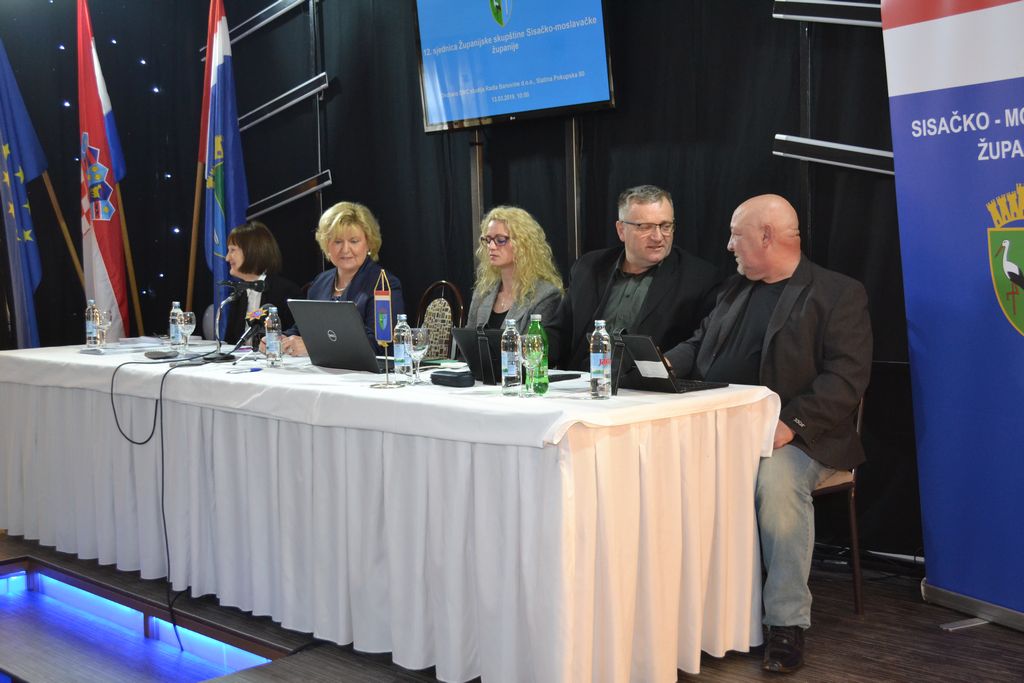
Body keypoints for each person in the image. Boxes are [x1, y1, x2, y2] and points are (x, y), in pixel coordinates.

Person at [663, 194, 872, 673]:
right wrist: (665, 363)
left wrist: (790, 424)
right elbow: (700, 342)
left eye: (736, 235)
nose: (728, 245)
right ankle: (691, 611)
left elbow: (846, 379)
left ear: (766, 236)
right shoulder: (735, 289)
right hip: (721, 429)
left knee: (777, 485)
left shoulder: (837, 293)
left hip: (802, 437)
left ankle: (785, 623)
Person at [546, 184, 718, 370]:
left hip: (645, 383)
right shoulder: (588, 268)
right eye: (645, 227)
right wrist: (527, 357)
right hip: (582, 380)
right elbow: (560, 333)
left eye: (665, 226)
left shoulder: (698, 278)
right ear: (621, 230)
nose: (658, 237)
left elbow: (699, 346)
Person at [281, 201, 405, 356]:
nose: (345, 249)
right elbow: (301, 329)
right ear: (327, 245)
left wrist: (315, 347)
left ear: (369, 243)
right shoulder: (320, 282)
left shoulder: (384, 284)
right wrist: (279, 339)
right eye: (338, 241)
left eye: (354, 241)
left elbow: (379, 346)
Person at [466, 206, 564, 333]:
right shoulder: (482, 292)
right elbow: (467, 340)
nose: (491, 246)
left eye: (500, 240)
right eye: (488, 240)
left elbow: (534, 343)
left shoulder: (545, 295)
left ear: (523, 244)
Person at [223, 221, 302, 344]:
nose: (227, 258)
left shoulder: (287, 292)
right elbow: (231, 342)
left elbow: (296, 338)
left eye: (232, 250)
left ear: (252, 250)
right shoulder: (238, 293)